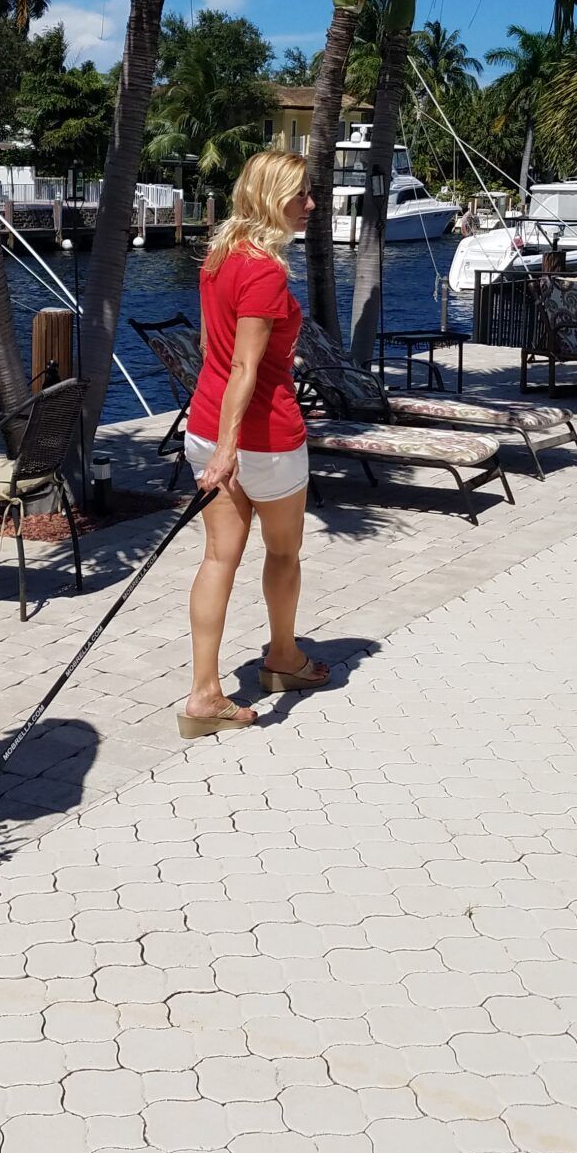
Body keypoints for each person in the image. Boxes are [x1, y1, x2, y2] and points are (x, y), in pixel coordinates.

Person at [179, 149, 329, 737]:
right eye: (301, 195)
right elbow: (245, 366)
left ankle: (204, 693)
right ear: (271, 197)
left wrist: (216, 442)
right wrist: (228, 448)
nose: (311, 205)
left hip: (205, 422)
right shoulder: (265, 269)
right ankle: (284, 660)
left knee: (219, 556)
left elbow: (220, 354)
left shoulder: (218, 256)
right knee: (284, 552)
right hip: (260, 438)